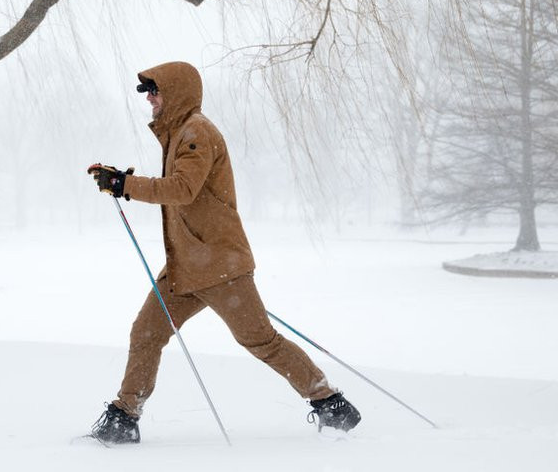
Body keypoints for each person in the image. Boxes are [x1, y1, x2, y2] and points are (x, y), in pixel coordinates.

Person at [86, 61, 360, 444]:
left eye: (154, 90)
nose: (149, 98)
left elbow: (182, 189)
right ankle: (123, 418)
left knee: (260, 340)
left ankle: (330, 403)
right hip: (185, 266)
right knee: (146, 332)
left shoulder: (197, 132)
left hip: (218, 265)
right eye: (147, 91)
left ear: (176, 92)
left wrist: (125, 184)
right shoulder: (179, 133)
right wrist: (124, 183)